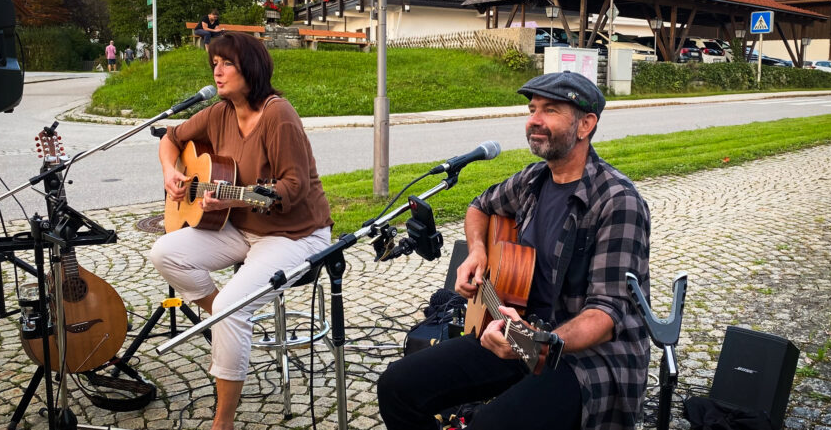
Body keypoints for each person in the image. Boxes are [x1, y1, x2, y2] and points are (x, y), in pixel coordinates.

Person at [377, 71, 651, 430]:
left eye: (550, 110)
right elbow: (479, 206)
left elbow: (607, 314)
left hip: (587, 360)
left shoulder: (617, 202)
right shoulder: (532, 181)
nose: (534, 120)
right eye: (532, 108)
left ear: (585, 125)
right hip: (516, 333)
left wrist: (538, 342)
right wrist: (477, 252)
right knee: (396, 387)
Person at [148, 31, 333, 430]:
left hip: (295, 233)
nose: (217, 71)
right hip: (241, 227)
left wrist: (233, 199)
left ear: (250, 68)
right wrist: (171, 172)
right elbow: (171, 137)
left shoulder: (278, 115)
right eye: (214, 63)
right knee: (165, 253)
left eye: (226, 63)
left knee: (233, 309)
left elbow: (294, 189)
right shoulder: (219, 114)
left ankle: (223, 422)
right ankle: (227, 320)